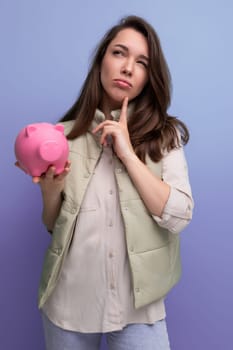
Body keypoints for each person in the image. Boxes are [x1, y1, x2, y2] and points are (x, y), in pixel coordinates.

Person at [22, 15, 194, 350]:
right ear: (102, 60)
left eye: (141, 62)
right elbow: (52, 226)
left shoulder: (165, 136)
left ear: (148, 77)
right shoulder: (64, 136)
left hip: (139, 310)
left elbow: (180, 216)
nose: (128, 67)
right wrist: (50, 192)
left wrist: (128, 153)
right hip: (69, 307)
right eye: (119, 53)